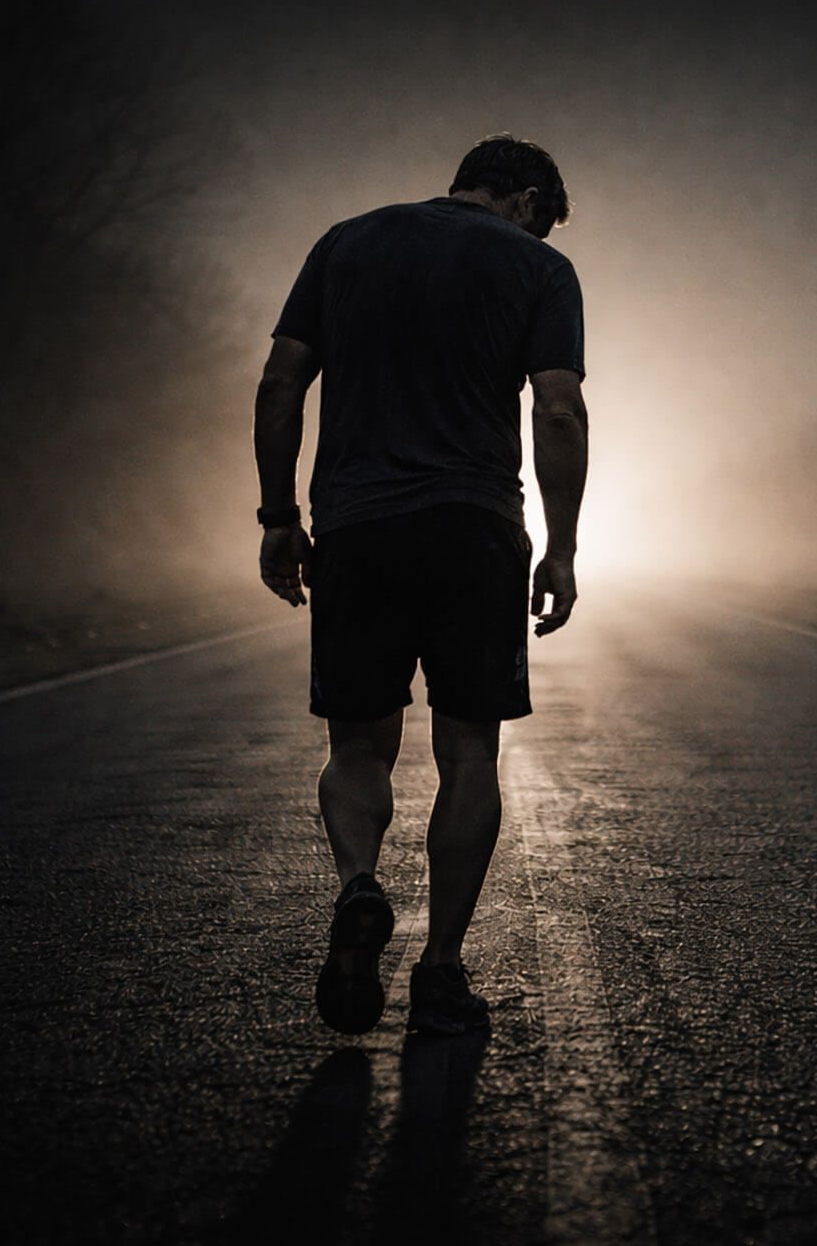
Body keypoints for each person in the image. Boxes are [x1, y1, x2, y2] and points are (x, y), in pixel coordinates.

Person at [253, 134, 589, 1036]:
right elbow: (556, 406)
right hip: (473, 528)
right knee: (469, 753)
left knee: (357, 746)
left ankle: (361, 887)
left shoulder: (346, 243)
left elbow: (282, 383)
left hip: (359, 526)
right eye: (545, 221)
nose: (544, 235)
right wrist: (560, 547)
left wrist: (278, 516)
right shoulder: (538, 269)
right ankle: (440, 966)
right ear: (525, 199)